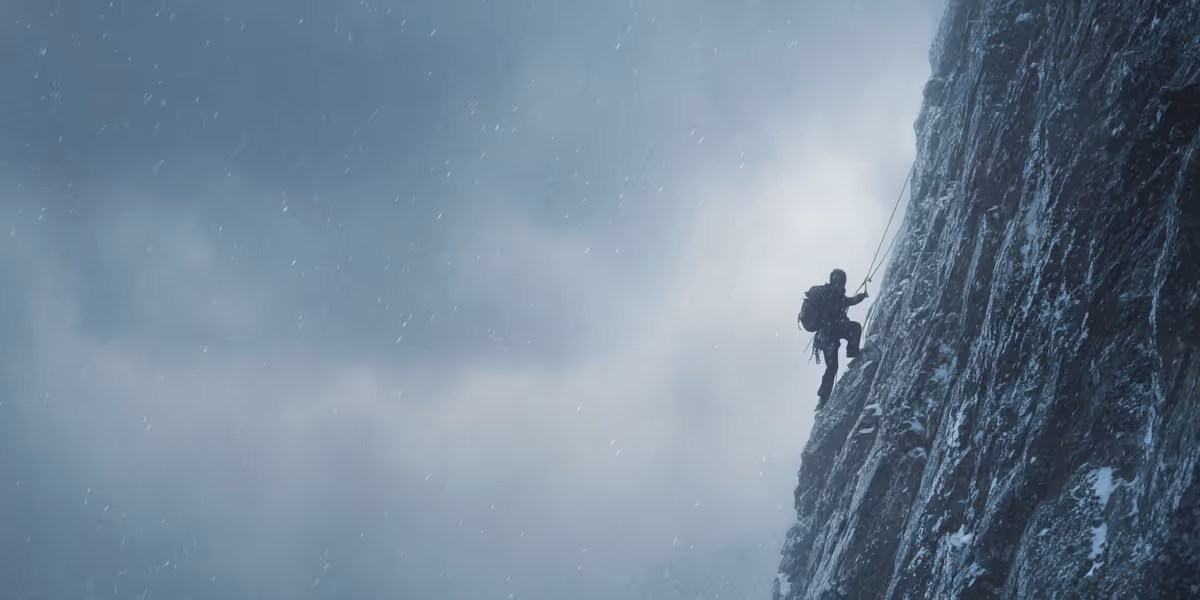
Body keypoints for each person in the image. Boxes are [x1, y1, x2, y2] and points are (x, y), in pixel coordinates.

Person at [810, 269, 868, 408]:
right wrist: (862, 296)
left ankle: (822, 400)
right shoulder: (835, 294)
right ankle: (852, 351)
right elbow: (849, 301)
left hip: (823, 338)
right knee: (854, 328)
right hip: (833, 332)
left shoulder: (824, 294)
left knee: (832, 367)